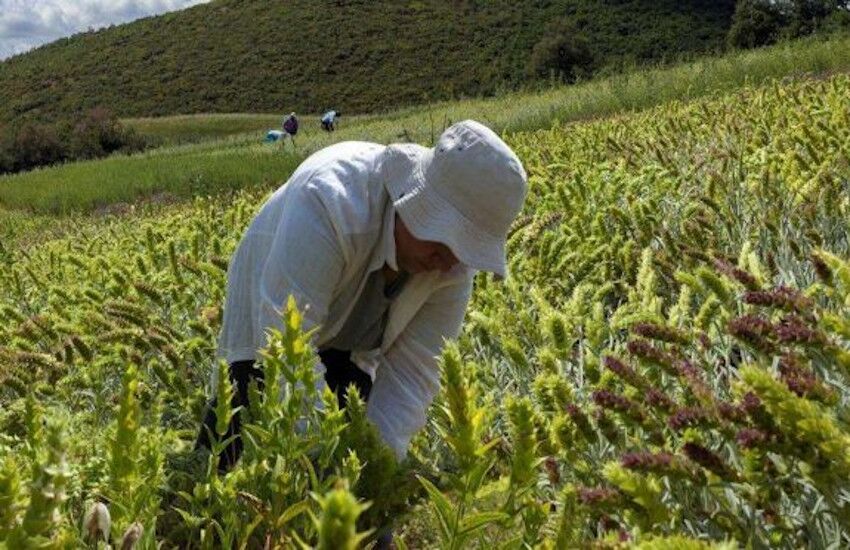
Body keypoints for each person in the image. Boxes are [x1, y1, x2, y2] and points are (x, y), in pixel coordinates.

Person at [197, 118, 527, 470]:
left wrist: (371, 469)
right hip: (275, 303)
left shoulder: (452, 266)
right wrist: (322, 463)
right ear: (413, 202)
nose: (450, 263)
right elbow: (285, 343)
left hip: (354, 338)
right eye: (447, 239)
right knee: (237, 431)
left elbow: (412, 374)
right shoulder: (331, 200)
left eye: (467, 249)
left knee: (356, 431)